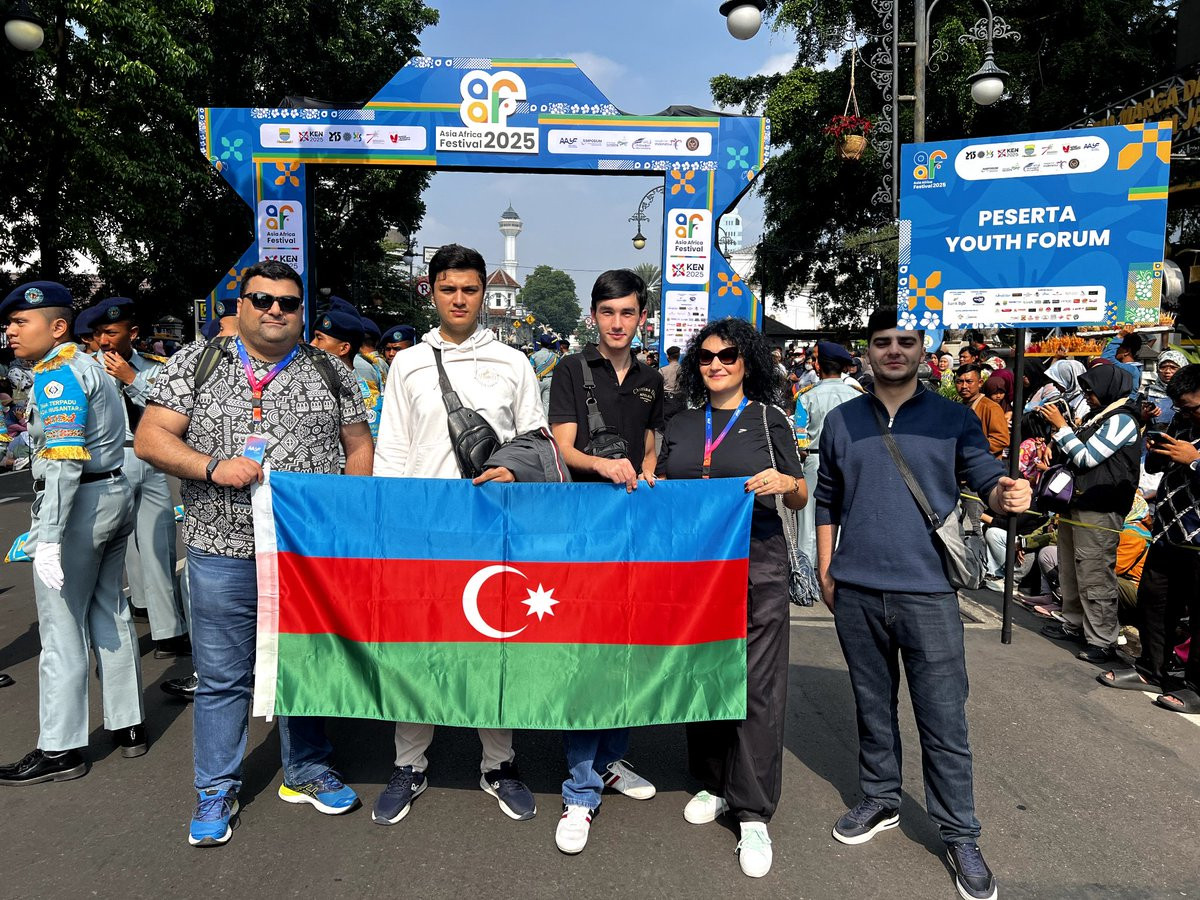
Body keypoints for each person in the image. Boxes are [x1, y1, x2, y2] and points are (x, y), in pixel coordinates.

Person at [135, 259, 373, 847]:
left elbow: (358, 445)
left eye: (287, 303)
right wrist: (211, 466)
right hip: (222, 547)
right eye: (262, 299)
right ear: (241, 305)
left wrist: (345, 515)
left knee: (306, 663)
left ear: (301, 312)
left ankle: (307, 768)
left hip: (304, 553)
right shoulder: (196, 362)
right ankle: (216, 787)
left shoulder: (330, 371)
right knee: (223, 676)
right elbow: (151, 438)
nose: (274, 310)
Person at [816, 308, 1031, 900]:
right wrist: (827, 568)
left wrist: (1007, 493)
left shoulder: (953, 418)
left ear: (922, 350)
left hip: (930, 592)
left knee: (943, 719)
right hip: (857, 589)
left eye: (905, 341)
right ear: (867, 350)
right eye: (882, 341)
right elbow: (827, 498)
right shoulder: (841, 420)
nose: (893, 350)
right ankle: (881, 797)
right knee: (872, 706)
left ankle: (960, 833)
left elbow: (986, 477)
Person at [373, 244, 545, 826]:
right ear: (432, 292)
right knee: (419, 644)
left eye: (470, 289)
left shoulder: (513, 362)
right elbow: (392, 448)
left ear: (483, 295)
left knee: (494, 644)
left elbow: (536, 439)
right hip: (424, 527)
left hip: (494, 527)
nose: (460, 299)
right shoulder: (408, 364)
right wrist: (391, 525)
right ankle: (409, 763)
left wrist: (513, 471)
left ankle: (498, 764)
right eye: (448, 289)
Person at [658, 317, 806, 879]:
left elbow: (800, 493)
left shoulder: (770, 419)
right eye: (706, 356)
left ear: (748, 362)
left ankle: (752, 811)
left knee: (756, 684)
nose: (716, 364)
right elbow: (664, 487)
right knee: (704, 673)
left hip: (756, 565)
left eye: (728, 356)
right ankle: (715, 782)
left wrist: (784, 483)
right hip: (695, 570)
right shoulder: (681, 422)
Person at [0, 281, 143, 786]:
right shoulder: (89, 364)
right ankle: (128, 723)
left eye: (21, 322)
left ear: (57, 327)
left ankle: (60, 748)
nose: (11, 331)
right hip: (112, 492)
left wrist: (48, 538)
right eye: (10, 322)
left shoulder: (57, 374)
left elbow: (63, 463)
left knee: (60, 629)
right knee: (111, 610)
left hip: (78, 504)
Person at [545, 269, 663, 855]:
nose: (618, 324)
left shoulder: (651, 378)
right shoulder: (571, 369)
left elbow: (650, 444)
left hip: (633, 528)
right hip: (584, 527)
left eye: (628, 313)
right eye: (608, 313)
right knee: (586, 651)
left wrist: (648, 471)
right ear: (594, 316)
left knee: (627, 647)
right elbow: (563, 446)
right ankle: (579, 789)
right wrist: (604, 466)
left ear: (641, 317)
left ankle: (611, 760)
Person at [90, 296, 190, 659]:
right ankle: (137, 609)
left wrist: (132, 380)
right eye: (99, 333)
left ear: (132, 333)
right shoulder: (87, 370)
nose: (104, 341)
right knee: (117, 548)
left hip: (147, 456)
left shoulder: (152, 368)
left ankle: (168, 633)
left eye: (112, 333)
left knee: (158, 542)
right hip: (108, 460)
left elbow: (169, 409)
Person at [1097, 363, 1200, 711]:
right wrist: (1157, 451)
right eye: (1181, 407)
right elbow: (1159, 468)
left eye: (1192, 407)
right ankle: (1150, 670)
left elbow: (1190, 463)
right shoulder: (1182, 422)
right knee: (1155, 603)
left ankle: (1196, 688)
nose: (1186, 413)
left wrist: (1194, 460)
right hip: (1168, 532)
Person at [1037, 365, 1142, 665]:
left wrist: (1062, 428)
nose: (1087, 396)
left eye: (1091, 390)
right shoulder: (1100, 416)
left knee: (1094, 573)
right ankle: (1073, 623)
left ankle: (1102, 639)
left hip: (1101, 509)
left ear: (1108, 388)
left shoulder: (1122, 419)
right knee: (1070, 568)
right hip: (1077, 504)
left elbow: (1086, 457)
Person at [795, 341, 861, 562]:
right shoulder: (857, 395)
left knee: (808, 516)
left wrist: (804, 452)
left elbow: (800, 434)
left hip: (815, 459)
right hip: (849, 460)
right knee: (846, 509)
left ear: (818, 366)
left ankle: (807, 566)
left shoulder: (806, 396)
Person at [955, 364, 1009, 457]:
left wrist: (971, 448)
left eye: (969, 381)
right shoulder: (957, 406)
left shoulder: (990, 408)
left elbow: (1001, 440)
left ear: (980, 383)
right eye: (959, 382)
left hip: (983, 462)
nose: (964, 386)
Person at [1147, 349, 1186, 426]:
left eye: (1173, 367)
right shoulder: (1147, 392)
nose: (1167, 371)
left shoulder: (1191, 392)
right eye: (1163, 367)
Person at [1102, 324, 1143, 395]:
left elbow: (1106, 359)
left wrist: (1120, 336)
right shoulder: (1133, 368)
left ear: (1126, 351)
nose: (1115, 351)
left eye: (1117, 347)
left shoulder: (1130, 369)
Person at [529, 332, 560, 416]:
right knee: (546, 403)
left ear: (540, 344)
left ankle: (537, 420)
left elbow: (531, 370)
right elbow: (557, 370)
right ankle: (545, 422)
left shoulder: (533, 356)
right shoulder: (554, 356)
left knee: (536, 402)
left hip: (537, 380)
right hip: (550, 380)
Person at [660, 345, 684, 423]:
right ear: (679, 356)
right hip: (681, 400)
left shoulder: (663, 370)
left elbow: (658, 387)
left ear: (667, 356)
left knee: (667, 425)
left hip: (667, 400)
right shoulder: (684, 369)